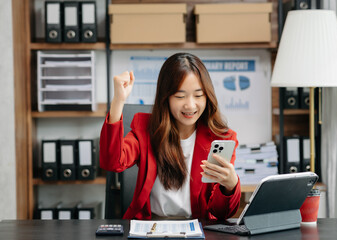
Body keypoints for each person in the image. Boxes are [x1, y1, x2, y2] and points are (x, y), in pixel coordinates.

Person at [100, 52, 241, 220]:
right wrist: (118, 101)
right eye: (180, 96)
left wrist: (230, 186)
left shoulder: (221, 139)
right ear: (165, 97)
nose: (190, 105)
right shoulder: (145, 130)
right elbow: (112, 162)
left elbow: (222, 213)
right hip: (150, 227)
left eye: (198, 95)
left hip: (197, 229)